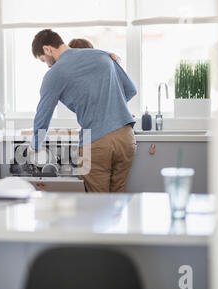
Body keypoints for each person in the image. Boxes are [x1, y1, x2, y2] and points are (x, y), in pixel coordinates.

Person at [29, 29, 137, 193]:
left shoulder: (54, 74)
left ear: (47, 49)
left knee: (98, 204)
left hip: (97, 142)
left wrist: (35, 145)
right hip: (126, 138)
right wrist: (110, 108)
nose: (48, 64)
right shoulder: (103, 55)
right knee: (118, 201)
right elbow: (130, 90)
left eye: (44, 60)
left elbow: (44, 114)